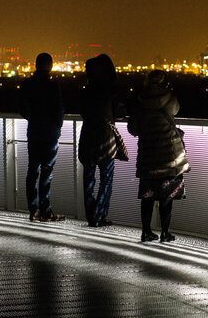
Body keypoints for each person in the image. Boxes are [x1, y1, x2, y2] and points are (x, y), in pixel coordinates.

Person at [127, 70, 189, 243]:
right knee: (166, 195)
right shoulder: (171, 98)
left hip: (148, 154)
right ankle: (165, 233)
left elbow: (133, 130)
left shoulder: (139, 102)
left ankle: (146, 232)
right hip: (169, 155)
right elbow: (176, 111)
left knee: (147, 195)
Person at [79, 54, 127, 227]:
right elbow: (120, 112)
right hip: (106, 140)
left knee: (88, 178)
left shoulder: (86, 91)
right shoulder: (110, 91)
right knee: (106, 178)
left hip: (87, 138)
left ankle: (91, 215)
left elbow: (83, 112)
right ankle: (99, 215)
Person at [20, 53, 66, 222]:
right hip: (49, 134)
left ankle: (33, 210)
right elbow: (59, 110)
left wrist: (33, 119)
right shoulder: (53, 86)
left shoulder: (27, 84)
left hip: (33, 132)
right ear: (51, 66)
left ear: (36, 65)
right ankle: (45, 209)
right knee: (47, 172)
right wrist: (56, 127)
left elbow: (22, 108)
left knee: (32, 171)